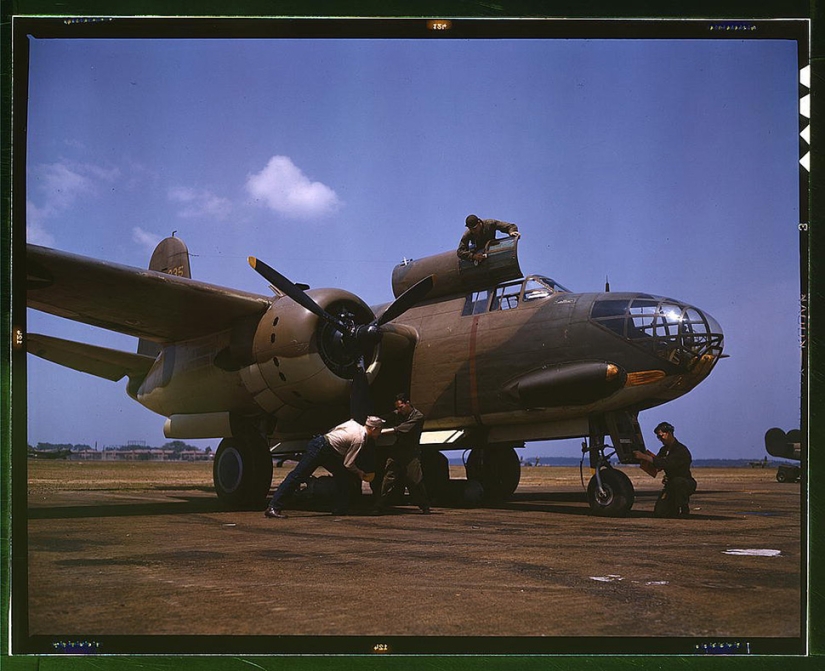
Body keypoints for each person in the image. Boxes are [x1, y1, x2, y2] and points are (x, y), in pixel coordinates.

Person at [264, 416, 384, 519]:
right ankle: (273, 507)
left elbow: (334, 430)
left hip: (324, 444)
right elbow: (348, 464)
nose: (380, 434)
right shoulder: (359, 439)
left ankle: (340, 509)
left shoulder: (353, 424)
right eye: (379, 430)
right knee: (298, 476)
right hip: (321, 449)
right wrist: (359, 472)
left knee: (344, 477)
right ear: (374, 429)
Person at [372, 393, 431, 515]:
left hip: (411, 453)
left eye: (401, 407)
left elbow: (399, 429)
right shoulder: (398, 413)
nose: (399, 410)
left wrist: (379, 432)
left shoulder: (418, 417)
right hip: (397, 451)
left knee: (415, 479)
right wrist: (374, 421)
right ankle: (378, 506)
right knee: (388, 479)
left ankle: (424, 505)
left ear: (408, 403)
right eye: (397, 408)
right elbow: (387, 417)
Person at [633, 422, 697, 518]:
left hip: (685, 483)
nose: (660, 439)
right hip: (671, 484)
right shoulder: (664, 450)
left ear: (669, 433)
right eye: (658, 437)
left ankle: (684, 507)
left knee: (678, 482)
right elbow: (658, 464)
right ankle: (673, 507)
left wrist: (644, 457)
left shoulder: (681, 450)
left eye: (661, 436)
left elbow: (666, 463)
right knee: (660, 512)